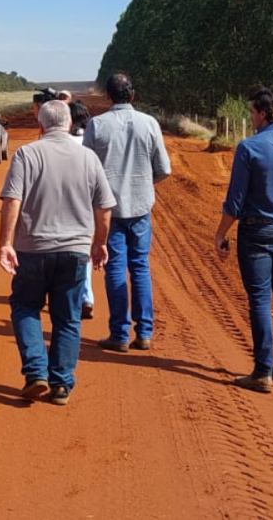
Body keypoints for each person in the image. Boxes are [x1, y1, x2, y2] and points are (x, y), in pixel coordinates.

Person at [0, 100, 115, 405]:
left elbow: (12, 200)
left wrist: (5, 243)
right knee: (67, 317)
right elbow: (104, 207)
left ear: (41, 124)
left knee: (25, 307)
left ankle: (36, 372)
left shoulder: (27, 154)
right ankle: (61, 384)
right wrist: (100, 243)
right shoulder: (88, 157)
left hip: (32, 250)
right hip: (74, 251)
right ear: (69, 125)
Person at [214, 88, 273, 393]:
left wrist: (220, 234)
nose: (250, 117)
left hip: (257, 232)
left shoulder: (249, 148)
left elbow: (235, 201)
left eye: (252, 112)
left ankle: (262, 371)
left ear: (264, 114)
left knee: (259, 299)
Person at [83, 73, 171, 352]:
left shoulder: (96, 125)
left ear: (108, 96)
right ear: (132, 95)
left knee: (115, 270)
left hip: (109, 211)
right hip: (141, 208)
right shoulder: (150, 123)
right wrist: (144, 183)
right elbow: (164, 169)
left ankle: (119, 334)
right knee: (140, 268)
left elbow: (86, 170)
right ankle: (144, 332)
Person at [68, 99, 94, 317]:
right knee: (83, 248)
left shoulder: (62, 140)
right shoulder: (91, 139)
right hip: (87, 200)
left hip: (63, 200)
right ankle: (86, 295)